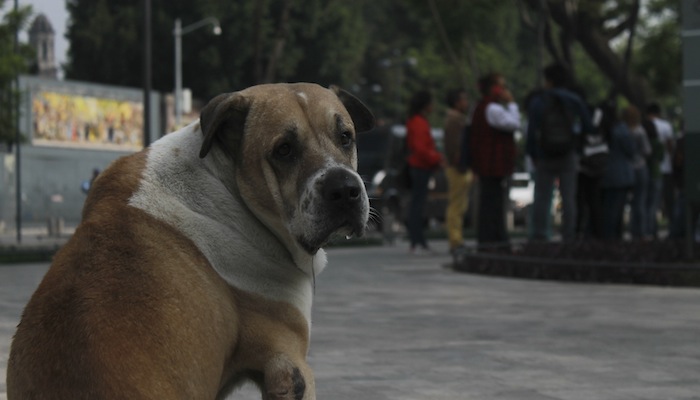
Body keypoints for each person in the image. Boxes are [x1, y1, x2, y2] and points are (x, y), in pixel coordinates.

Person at [526, 63, 593, 241]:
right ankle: (569, 235)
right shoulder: (573, 100)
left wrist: (532, 153)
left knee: (542, 197)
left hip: (544, 154)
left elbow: (531, 130)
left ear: (548, 80)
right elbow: (588, 125)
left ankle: (540, 234)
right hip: (568, 153)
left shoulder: (539, 101)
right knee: (568, 197)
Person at [470, 73, 521, 248]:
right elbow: (514, 124)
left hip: (487, 165)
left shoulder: (481, 107)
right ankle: (495, 239)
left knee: (490, 202)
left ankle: (491, 238)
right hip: (493, 164)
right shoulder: (493, 109)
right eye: (501, 86)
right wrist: (512, 103)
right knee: (493, 203)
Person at [405, 90, 444, 254]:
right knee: (417, 205)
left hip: (420, 167)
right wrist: (437, 158)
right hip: (421, 167)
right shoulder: (419, 123)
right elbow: (422, 149)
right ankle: (417, 241)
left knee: (418, 204)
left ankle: (418, 241)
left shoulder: (416, 121)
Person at [442, 88, 474, 253]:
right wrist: (458, 161)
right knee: (456, 205)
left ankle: (457, 239)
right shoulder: (455, 120)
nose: (466, 103)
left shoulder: (457, 119)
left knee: (460, 205)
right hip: (457, 168)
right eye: (463, 100)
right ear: (456, 102)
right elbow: (453, 145)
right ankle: (455, 241)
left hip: (460, 167)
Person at [601, 108, 635, 240]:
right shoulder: (622, 130)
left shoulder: (605, 129)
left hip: (606, 173)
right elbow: (631, 150)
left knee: (609, 207)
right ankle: (613, 236)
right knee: (616, 209)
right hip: (621, 174)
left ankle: (609, 235)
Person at [622, 106, 651, 239]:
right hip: (640, 167)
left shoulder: (622, 131)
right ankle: (641, 231)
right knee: (640, 201)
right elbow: (647, 150)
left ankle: (632, 229)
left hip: (626, 168)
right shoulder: (639, 131)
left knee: (628, 202)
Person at [646, 102, 676, 226]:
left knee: (651, 201)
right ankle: (672, 225)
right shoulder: (666, 126)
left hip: (650, 168)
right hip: (665, 167)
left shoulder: (645, 125)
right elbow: (670, 147)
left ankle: (650, 226)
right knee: (668, 200)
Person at [641, 111, 664, 238]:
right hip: (655, 174)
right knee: (653, 206)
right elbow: (661, 157)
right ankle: (651, 230)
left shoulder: (643, 141)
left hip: (645, 173)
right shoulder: (657, 143)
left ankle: (647, 229)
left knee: (644, 204)